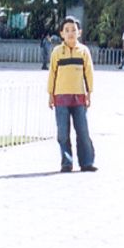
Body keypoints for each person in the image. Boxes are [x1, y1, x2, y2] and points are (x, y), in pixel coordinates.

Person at [47, 16, 96, 173]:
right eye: (67, 30)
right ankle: (66, 162)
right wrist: (50, 94)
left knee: (82, 131)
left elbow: (89, 73)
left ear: (79, 33)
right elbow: (52, 74)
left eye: (73, 30)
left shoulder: (83, 52)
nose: (70, 33)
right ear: (61, 33)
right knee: (62, 132)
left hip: (79, 97)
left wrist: (89, 93)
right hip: (61, 98)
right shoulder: (57, 52)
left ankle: (87, 162)